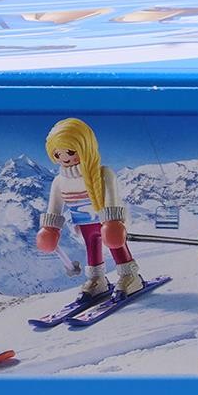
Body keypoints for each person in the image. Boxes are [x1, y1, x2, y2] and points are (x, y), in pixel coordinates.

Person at [36, 117, 144, 299]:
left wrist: (113, 222)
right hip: (84, 224)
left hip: (105, 222)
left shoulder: (102, 174)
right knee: (91, 247)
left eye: (70, 152)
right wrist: (50, 229)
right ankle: (97, 279)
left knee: (116, 246)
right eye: (58, 154)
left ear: (85, 147)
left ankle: (130, 275)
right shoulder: (59, 182)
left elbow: (112, 198)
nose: (64, 158)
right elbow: (54, 208)